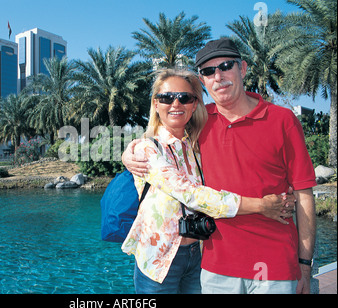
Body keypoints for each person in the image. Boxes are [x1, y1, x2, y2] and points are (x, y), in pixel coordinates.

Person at [123, 38, 316, 294]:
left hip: (274, 264)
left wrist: (304, 265)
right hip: (213, 266)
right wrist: (129, 152)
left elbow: (304, 193)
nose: (218, 76)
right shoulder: (196, 125)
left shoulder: (281, 120)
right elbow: (187, 185)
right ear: (202, 81)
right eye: (207, 71)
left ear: (243, 69)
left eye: (226, 66)